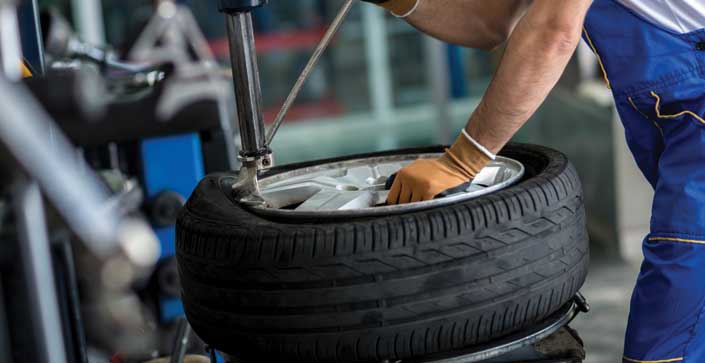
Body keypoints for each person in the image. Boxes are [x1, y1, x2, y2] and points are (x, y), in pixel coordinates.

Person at [362, 0, 705, 362]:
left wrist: (463, 161)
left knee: (667, 342)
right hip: (678, 117)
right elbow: (492, 24)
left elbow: (552, 31)